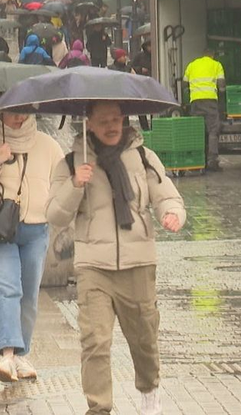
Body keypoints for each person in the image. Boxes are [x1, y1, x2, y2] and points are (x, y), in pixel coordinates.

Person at [46, 101, 186, 415]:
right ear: (89, 124)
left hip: (139, 262)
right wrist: (75, 185)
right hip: (93, 266)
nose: (111, 126)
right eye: (103, 120)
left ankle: (149, 391)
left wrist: (172, 214)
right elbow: (55, 215)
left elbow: (167, 196)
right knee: (94, 340)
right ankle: (100, 407)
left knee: (144, 339)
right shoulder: (71, 164)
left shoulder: (143, 157)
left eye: (116, 119)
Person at [0, 111, 65, 382]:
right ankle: (6, 355)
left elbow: (61, 185)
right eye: (13, 113)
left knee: (28, 295)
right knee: (7, 288)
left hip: (35, 230)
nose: (19, 118)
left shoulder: (47, 145)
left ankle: (20, 354)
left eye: (24, 112)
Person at [184, 48, 226, 171]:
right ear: (212, 55)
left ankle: (196, 161)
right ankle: (212, 161)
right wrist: (222, 99)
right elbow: (222, 85)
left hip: (195, 101)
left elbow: (184, 83)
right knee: (213, 130)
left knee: (197, 131)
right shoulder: (216, 65)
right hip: (210, 101)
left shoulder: (192, 65)